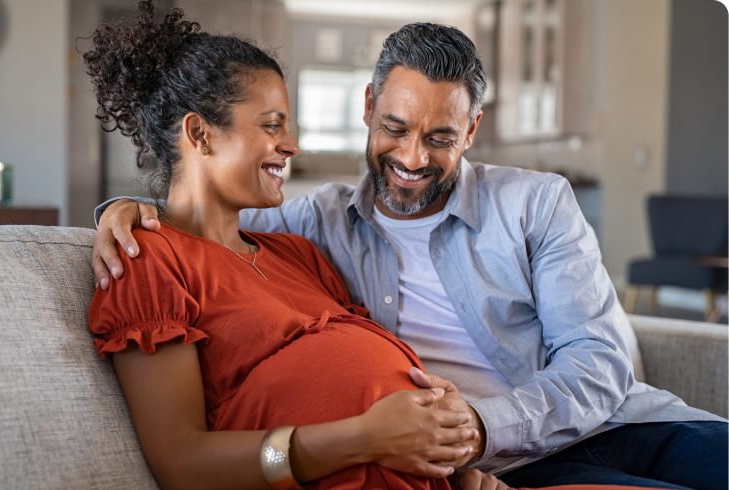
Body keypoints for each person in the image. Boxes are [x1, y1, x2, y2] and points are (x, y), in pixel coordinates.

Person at [92, 14, 729, 490]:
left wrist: (479, 427)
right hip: (493, 471)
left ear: (472, 130)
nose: (412, 157)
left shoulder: (535, 203)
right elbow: (200, 210)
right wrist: (123, 210)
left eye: (441, 137)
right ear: (369, 107)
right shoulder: (316, 221)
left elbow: (597, 361)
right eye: (395, 128)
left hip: (614, 426)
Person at [84, 3, 527, 490]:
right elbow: (182, 465)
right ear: (200, 134)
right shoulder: (147, 262)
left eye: (288, 126)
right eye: (272, 125)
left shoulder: (296, 252)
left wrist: (457, 470)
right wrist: (364, 438)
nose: (292, 145)